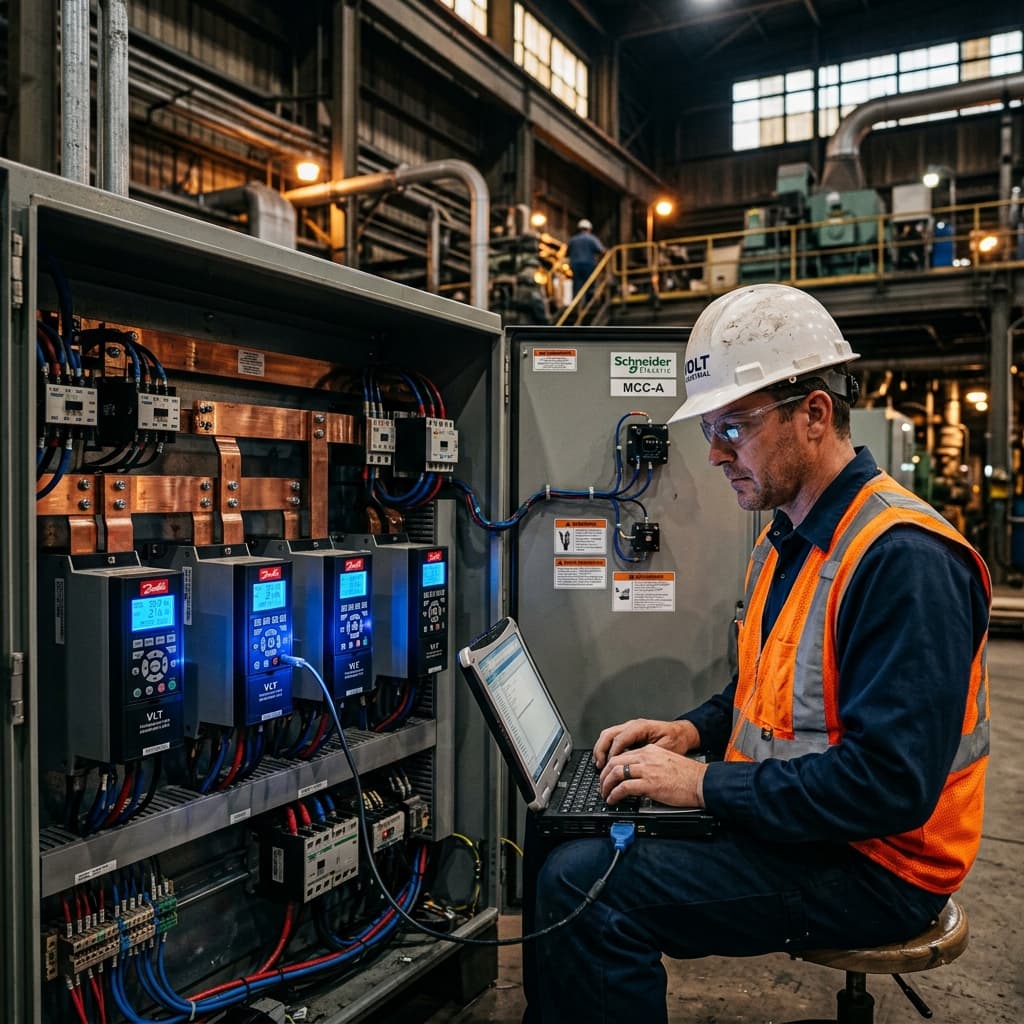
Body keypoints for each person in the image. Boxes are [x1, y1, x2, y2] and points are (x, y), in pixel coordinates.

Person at [527, 283, 991, 1023]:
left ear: (814, 414)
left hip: (880, 866)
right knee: (564, 840)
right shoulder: (790, 539)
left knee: (588, 887)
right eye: (710, 429)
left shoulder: (902, 558)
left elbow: (888, 787)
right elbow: (761, 698)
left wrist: (703, 786)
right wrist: (691, 734)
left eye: (732, 428)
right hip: (816, 827)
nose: (713, 455)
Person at [566, 218, 606, 298]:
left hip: (575, 265)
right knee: (589, 284)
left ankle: (577, 305)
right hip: (588, 265)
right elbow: (602, 251)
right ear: (589, 229)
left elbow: (567, 253)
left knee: (577, 285)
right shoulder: (591, 238)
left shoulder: (573, 240)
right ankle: (589, 303)